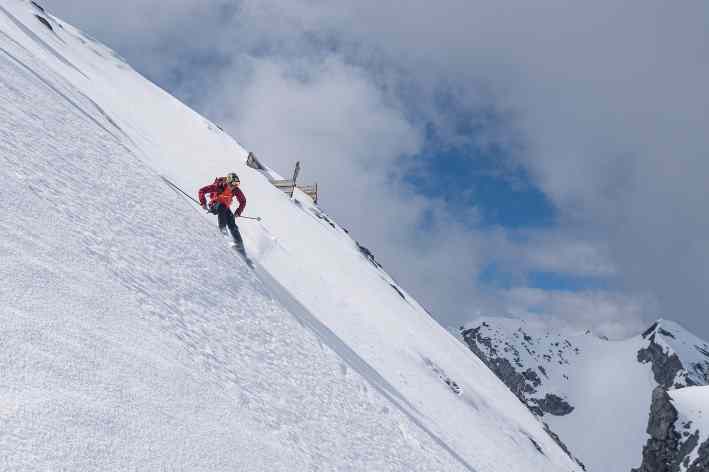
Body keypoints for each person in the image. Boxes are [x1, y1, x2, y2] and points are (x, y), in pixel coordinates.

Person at [198, 172, 247, 252]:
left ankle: (239, 244)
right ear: (228, 182)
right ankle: (224, 232)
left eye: (237, 184)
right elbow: (202, 190)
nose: (234, 186)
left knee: (232, 222)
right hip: (215, 205)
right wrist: (203, 202)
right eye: (233, 184)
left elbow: (243, 201)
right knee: (222, 207)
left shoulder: (236, 190)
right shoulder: (219, 186)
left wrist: (238, 212)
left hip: (225, 207)